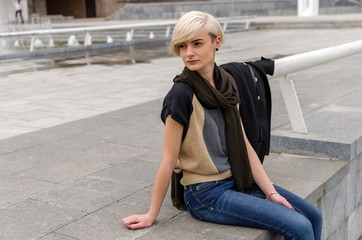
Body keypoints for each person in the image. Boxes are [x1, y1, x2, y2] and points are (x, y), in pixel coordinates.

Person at [123, 11, 322, 240]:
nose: (189, 53)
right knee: (300, 227)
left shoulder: (226, 84)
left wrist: (271, 192)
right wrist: (151, 214)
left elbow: (243, 143)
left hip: (237, 179)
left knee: (314, 217)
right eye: (182, 46)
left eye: (197, 43)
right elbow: (169, 159)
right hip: (205, 193)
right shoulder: (180, 95)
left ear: (216, 41)